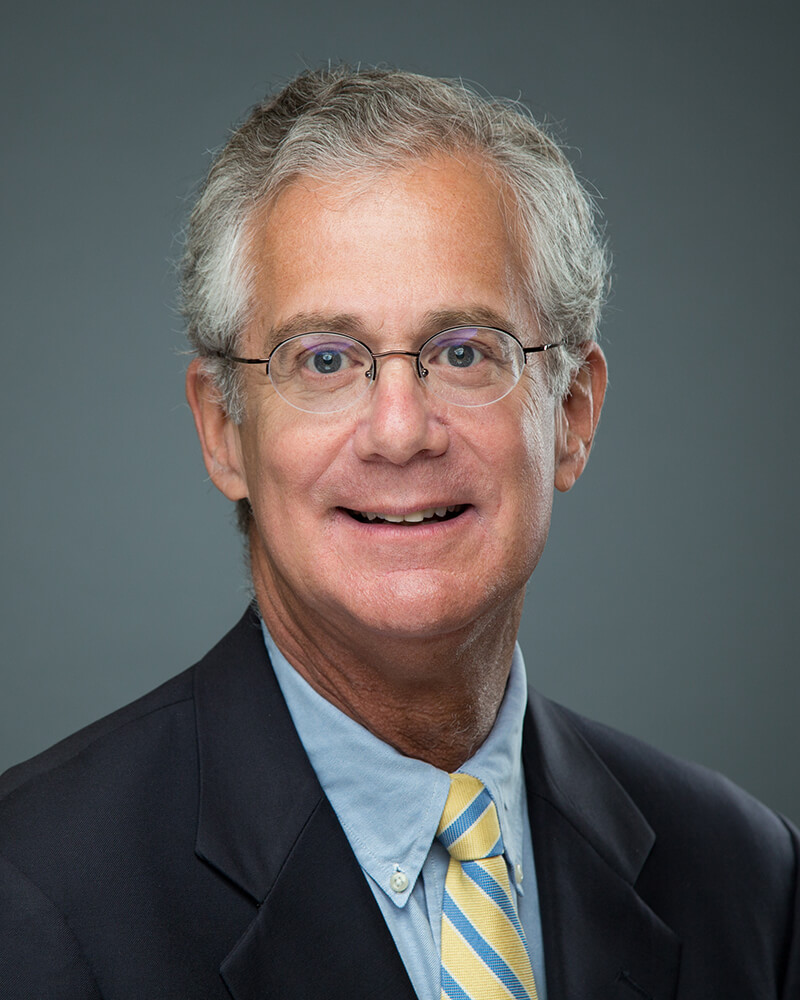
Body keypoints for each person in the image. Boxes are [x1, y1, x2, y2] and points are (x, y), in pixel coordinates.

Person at [0, 66, 797, 1000]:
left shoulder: (747, 877)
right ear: (224, 432)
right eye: (326, 360)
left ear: (572, 412)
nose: (399, 431)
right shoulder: (32, 896)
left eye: (464, 352)